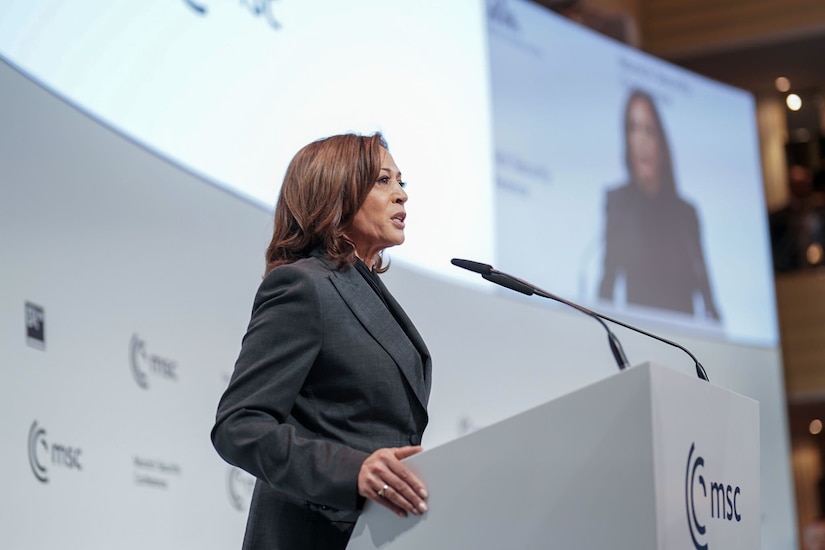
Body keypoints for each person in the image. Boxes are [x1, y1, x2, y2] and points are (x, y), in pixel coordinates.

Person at [211, 132, 431, 550]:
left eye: (402, 181)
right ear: (335, 192)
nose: (401, 195)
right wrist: (353, 471)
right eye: (383, 181)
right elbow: (238, 426)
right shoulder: (302, 286)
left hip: (372, 535)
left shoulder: (363, 291)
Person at [598, 89, 720, 320]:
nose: (641, 141)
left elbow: (707, 294)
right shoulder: (618, 204)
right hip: (639, 335)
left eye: (649, 130)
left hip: (687, 341)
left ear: (661, 142)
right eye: (633, 129)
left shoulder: (686, 214)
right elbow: (607, 285)